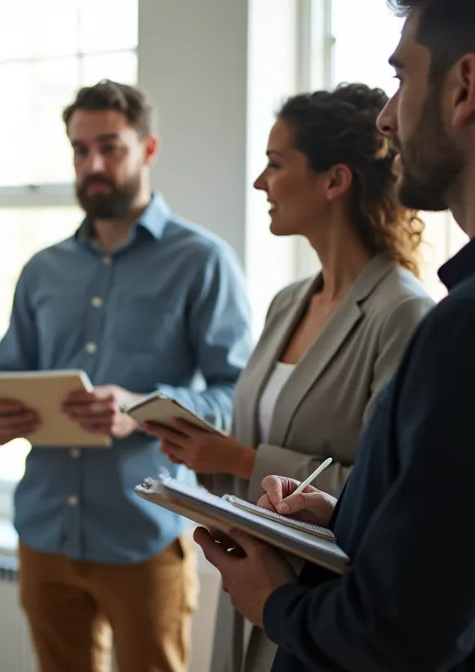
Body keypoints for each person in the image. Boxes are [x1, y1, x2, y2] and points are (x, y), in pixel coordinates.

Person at [197, 2, 475, 671]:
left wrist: (274, 603)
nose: (387, 117)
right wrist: (350, 520)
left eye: (402, 78)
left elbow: (400, 637)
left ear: (464, 88)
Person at [152, 83, 435, 672]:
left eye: (276, 165)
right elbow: (251, 435)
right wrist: (201, 447)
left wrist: (241, 458)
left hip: (328, 611)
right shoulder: (287, 303)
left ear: (335, 180)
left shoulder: (402, 313)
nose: (260, 183)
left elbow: (394, 489)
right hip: (252, 586)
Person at [0, 79, 254, 672]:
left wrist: (140, 407)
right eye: (81, 150)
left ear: (149, 149)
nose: (93, 164)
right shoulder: (42, 269)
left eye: (111, 147)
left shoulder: (202, 262)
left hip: (145, 535)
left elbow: (237, 398)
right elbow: (2, 375)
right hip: (44, 532)